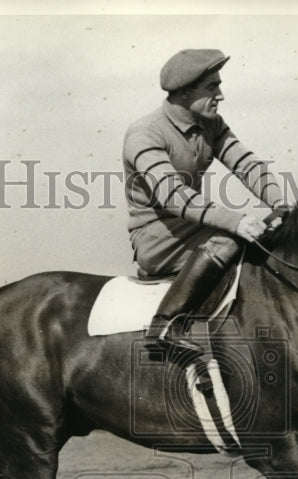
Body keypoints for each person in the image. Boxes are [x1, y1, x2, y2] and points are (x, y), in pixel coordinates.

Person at [123, 48, 288, 355]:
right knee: (229, 239)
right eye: (212, 87)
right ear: (185, 92)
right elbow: (173, 196)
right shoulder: (144, 134)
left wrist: (281, 206)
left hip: (190, 228)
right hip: (157, 238)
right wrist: (237, 221)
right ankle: (164, 326)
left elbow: (247, 166)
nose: (221, 95)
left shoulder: (211, 123)